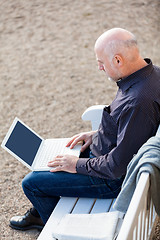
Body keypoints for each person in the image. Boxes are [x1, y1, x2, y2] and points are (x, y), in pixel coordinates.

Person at [10, 28, 160, 231]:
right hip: (104, 156)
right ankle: (42, 207)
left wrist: (77, 164)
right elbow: (132, 131)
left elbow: (116, 166)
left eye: (101, 62)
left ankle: (53, 225)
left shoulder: (138, 101)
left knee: (31, 183)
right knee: (49, 162)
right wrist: (96, 135)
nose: (99, 67)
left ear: (117, 60)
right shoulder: (150, 75)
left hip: (109, 179)